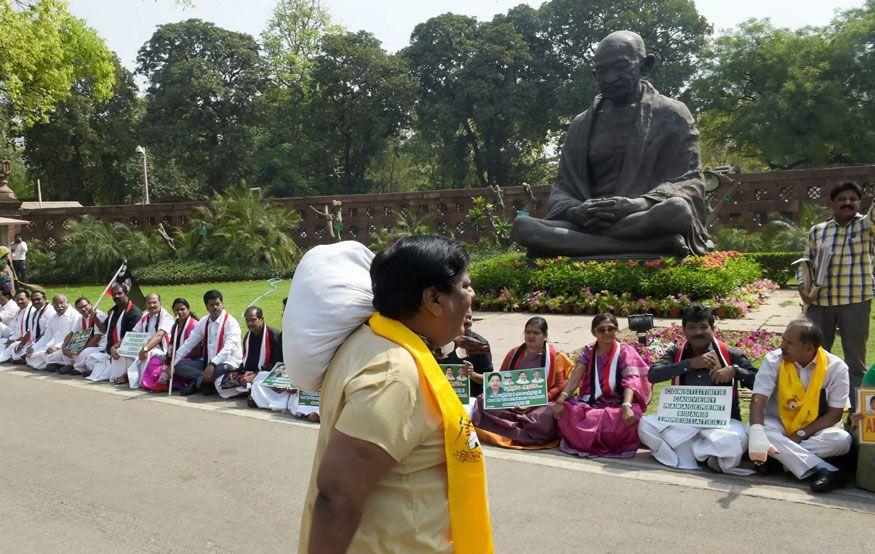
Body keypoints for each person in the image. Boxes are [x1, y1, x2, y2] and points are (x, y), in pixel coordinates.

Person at [299, 236, 492, 553]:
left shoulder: (372, 339)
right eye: (465, 286)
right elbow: (338, 495)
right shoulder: (396, 374)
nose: (471, 296)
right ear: (434, 299)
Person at [511, 30, 710, 257]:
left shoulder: (672, 114)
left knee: (676, 210)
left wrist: (639, 204)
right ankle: (647, 247)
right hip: (589, 222)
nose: (609, 78)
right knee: (522, 226)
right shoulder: (581, 124)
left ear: (645, 66)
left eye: (620, 67)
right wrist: (577, 211)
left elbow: (690, 181)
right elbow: (561, 189)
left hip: (641, 219)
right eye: (602, 71)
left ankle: (586, 245)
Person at [638, 305, 759, 474]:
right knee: (644, 425)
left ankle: (689, 452)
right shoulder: (676, 352)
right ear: (684, 330)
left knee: (737, 439)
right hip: (683, 421)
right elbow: (654, 375)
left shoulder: (728, 353)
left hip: (720, 424)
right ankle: (707, 453)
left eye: (703, 327)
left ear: (712, 329)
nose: (698, 332)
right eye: (692, 328)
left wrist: (736, 371)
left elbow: (758, 381)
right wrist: (690, 364)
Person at [748, 319, 852, 493]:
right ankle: (827, 470)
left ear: (810, 349)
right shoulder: (774, 360)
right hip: (777, 424)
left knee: (842, 440)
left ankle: (775, 458)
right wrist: (758, 433)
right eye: (783, 340)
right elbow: (758, 400)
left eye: (789, 343)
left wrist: (800, 435)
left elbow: (834, 415)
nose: (782, 346)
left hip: (815, 429)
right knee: (754, 430)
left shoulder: (836, 368)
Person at [799, 181, 873, 410]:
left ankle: (856, 416)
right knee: (815, 358)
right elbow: (805, 262)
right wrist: (802, 285)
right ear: (832, 203)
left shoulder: (867, 226)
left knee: (855, 362)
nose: (847, 203)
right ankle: (817, 410)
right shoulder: (818, 230)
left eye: (853, 198)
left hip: (855, 301)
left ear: (860, 202)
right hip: (820, 303)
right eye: (841, 199)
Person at [554, 313, 650, 458]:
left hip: (618, 404)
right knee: (567, 410)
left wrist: (627, 405)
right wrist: (561, 400)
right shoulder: (587, 351)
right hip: (592, 401)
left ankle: (592, 442)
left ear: (616, 330)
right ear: (594, 332)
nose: (606, 333)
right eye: (601, 330)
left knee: (630, 415)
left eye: (610, 329)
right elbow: (575, 379)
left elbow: (631, 380)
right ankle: (591, 443)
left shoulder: (625, 351)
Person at [471, 317, 574, 450]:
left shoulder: (556, 356)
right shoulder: (514, 353)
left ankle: (512, 430)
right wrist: (472, 375)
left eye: (536, 333)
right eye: (528, 332)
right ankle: (513, 429)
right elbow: (501, 379)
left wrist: (536, 401)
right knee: (483, 400)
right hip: (511, 401)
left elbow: (561, 386)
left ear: (545, 336)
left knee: (547, 415)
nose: (531, 336)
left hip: (540, 403)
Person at [173, 290, 243, 395]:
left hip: (227, 363)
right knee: (179, 366)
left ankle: (196, 385)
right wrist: (172, 362)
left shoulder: (231, 322)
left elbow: (229, 348)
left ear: (222, 304)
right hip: (207, 363)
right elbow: (189, 343)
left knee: (218, 369)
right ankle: (205, 381)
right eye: (212, 305)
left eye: (218, 304)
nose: (215, 307)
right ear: (206, 307)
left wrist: (213, 364)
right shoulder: (204, 321)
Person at [218, 306, 282, 399]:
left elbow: (277, 365)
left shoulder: (273, 334)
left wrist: (255, 375)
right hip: (249, 374)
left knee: (261, 380)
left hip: (265, 374)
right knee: (219, 383)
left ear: (261, 319)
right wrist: (237, 371)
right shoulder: (248, 336)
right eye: (247, 320)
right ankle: (251, 391)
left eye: (253, 320)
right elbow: (246, 360)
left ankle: (252, 390)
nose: (249, 324)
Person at [140, 298, 200, 393]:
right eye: (176, 310)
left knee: (178, 366)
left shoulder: (194, 325)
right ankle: (166, 380)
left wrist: (175, 358)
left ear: (188, 309)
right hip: (177, 356)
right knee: (153, 360)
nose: (180, 312)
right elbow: (172, 345)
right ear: (173, 311)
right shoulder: (175, 325)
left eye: (182, 309)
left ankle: (184, 381)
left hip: (192, 359)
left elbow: (197, 351)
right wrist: (169, 357)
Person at [84, 284, 142, 382]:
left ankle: (124, 375)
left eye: (119, 293)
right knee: (87, 355)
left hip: (125, 351)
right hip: (109, 350)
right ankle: (100, 369)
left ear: (127, 293)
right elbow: (104, 329)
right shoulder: (112, 311)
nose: (116, 296)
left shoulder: (134, 312)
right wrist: (95, 319)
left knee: (101, 373)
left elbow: (131, 336)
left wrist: (115, 347)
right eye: (114, 294)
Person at [434, 311, 493, 398]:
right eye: (464, 317)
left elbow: (489, 380)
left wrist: (472, 374)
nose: (468, 321)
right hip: (444, 397)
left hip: (471, 400)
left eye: (470, 317)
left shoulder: (480, 344)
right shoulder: (440, 341)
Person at [120, 293, 174, 388]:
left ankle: (132, 378)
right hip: (146, 348)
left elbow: (159, 336)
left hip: (162, 352)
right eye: (149, 303)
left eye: (154, 302)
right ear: (145, 304)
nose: (152, 305)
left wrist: (145, 349)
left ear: (160, 303)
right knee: (120, 352)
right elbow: (132, 334)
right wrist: (116, 346)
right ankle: (123, 375)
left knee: (148, 353)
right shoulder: (145, 316)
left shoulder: (166, 317)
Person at [26, 294, 81, 370]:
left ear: (67, 302)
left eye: (61, 303)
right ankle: (56, 364)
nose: (59, 306)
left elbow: (75, 336)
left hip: (67, 347)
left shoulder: (75, 315)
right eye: (56, 304)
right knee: (31, 356)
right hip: (53, 348)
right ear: (52, 305)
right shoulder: (54, 318)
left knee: (54, 355)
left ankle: (64, 365)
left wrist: (58, 347)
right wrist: (34, 347)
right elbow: (47, 337)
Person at [59, 297, 107, 375]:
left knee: (85, 352)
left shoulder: (99, 315)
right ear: (77, 310)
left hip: (101, 347)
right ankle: (71, 365)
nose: (83, 309)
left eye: (85, 306)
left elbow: (96, 338)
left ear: (90, 304)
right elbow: (72, 333)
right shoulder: (82, 318)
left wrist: (81, 351)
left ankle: (76, 367)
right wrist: (64, 346)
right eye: (80, 308)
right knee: (65, 348)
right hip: (87, 345)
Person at [5, 290, 54, 364]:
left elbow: (46, 334)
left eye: (38, 299)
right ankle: (25, 357)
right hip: (33, 342)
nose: (36, 302)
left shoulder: (50, 311)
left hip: (47, 342)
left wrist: (35, 346)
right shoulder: (35, 312)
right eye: (33, 300)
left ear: (44, 299)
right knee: (15, 349)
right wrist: (21, 344)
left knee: (34, 355)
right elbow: (29, 331)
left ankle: (27, 358)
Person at [0, 291, 33, 362]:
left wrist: (15, 340)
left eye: (22, 299)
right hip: (13, 338)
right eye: (17, 300)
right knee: (1, 342)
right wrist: (10, 339)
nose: (19, 301)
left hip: (24, 341)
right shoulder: (19, 311)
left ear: (28, 298)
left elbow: (30, 332)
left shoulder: (32, 311)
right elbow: (14, 328)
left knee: (13, 348)